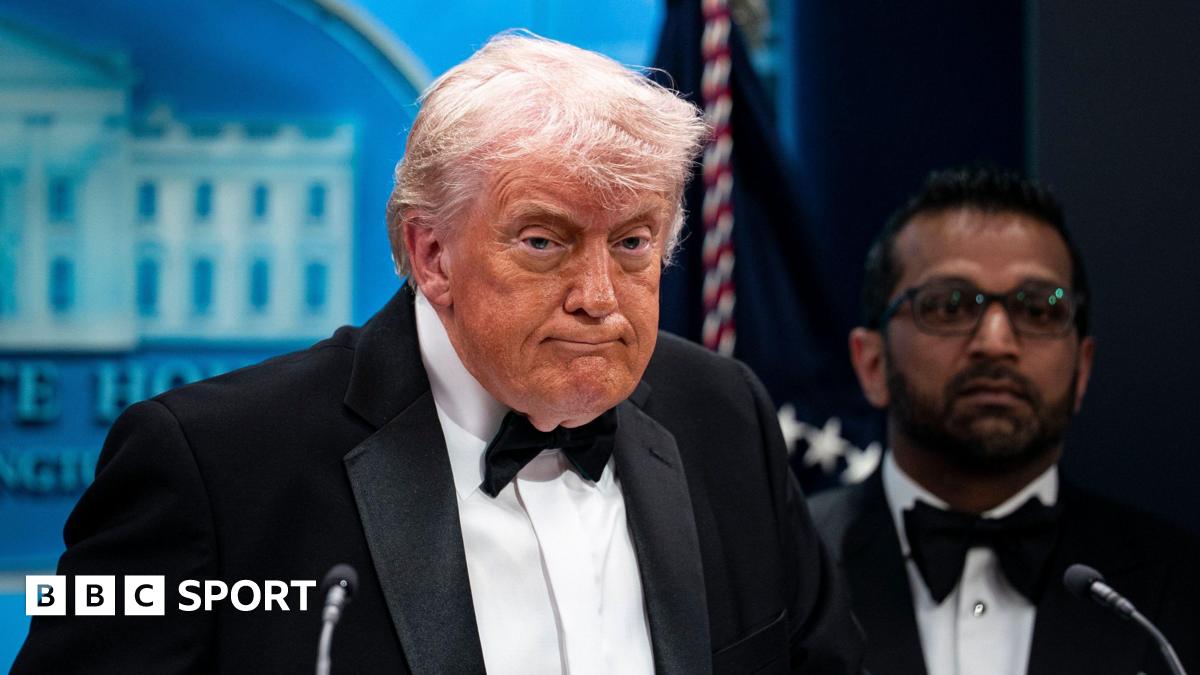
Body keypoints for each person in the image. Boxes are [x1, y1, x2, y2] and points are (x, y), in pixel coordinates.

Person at [14, 33, 862, 674]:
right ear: (430, 254)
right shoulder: (208, 462)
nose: (599, 295)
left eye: (634, 242)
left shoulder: (724, 413)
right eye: (543, 240)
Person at [810, 166, 1200, 675]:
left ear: (1082, 369)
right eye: (949, 305)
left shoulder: (1182, 587)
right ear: (872, 364)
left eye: (1038, 309)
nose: (995, 343)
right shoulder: (785, 567)